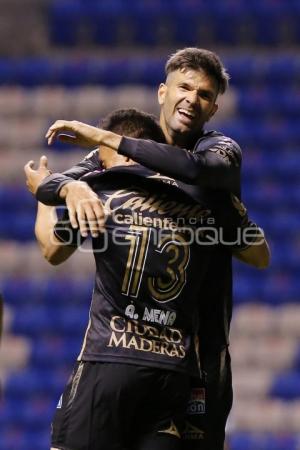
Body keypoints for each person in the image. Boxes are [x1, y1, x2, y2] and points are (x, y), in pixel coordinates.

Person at [31, 48, 270, 449]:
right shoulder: (116, 162)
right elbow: (51, 183)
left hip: (201, 358)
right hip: (159, 361)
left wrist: (104, 143)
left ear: (214, 108)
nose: (192, 99)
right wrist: (70, 187)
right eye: (184, 87)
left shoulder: (216, 152)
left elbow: (200, 176)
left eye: (204, 94)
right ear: (162, 92)